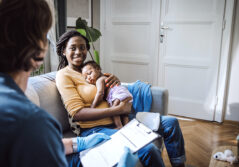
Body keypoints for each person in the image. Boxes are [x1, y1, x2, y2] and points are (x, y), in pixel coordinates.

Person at [0, 0, 138, 167]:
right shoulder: (33, 123)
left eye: (82, 47)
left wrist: (77, 144)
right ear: (40, 50)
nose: (78, 52)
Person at [56, 29, 186, 167]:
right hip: (97, 129)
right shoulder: (64, 75)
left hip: (122, 118)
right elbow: (78, 114)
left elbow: (109, 90)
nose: (78, 52)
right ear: (64, 51)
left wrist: (114, 81)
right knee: (147, 149)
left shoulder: (89, 69)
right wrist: (119, 109)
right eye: (73, 48)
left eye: (82, 48)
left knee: (170, 123)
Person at [82, 60, 132, 129]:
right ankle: (127, 126)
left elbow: (100, 93)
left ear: (98, 69)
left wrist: (92, 106)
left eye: (89, 73)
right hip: (125, 93)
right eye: (85, 78)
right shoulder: (105, 78)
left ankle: (119, 126)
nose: (88, 78)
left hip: (117, 94)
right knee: (124, 115)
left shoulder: (99, 80)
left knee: (114, 110)